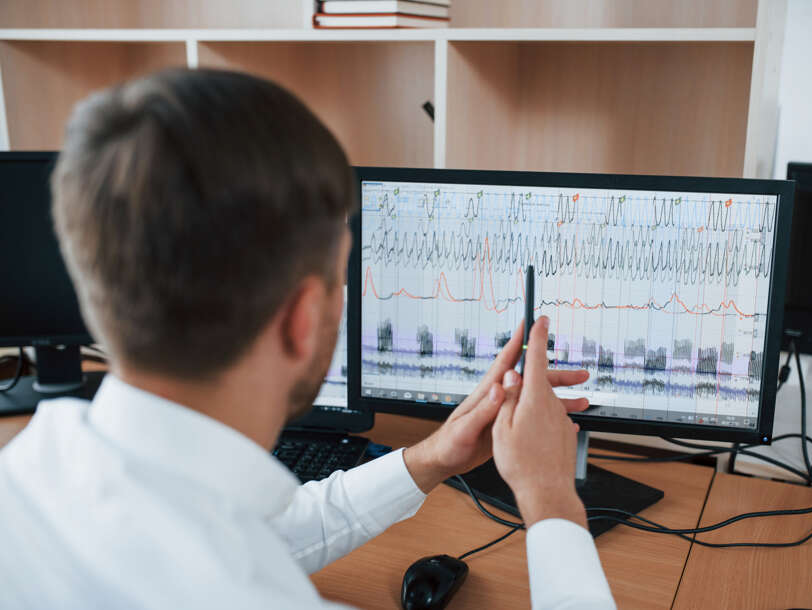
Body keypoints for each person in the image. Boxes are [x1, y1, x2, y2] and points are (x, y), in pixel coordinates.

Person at [0, 68, 615, 609]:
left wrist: (430, 459)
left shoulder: (25, 477)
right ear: (301, 318)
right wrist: (550, 499)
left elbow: (249, 536)